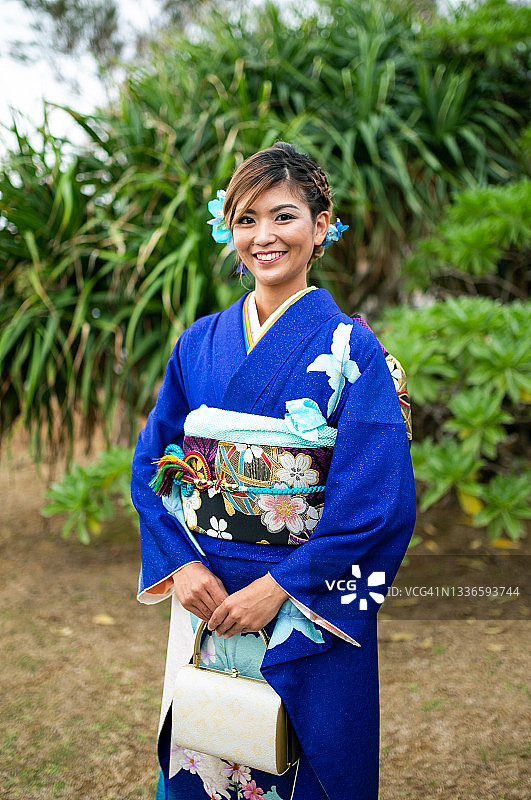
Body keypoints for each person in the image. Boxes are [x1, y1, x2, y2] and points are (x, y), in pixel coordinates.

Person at [131, 142, 416, 800]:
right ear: (228, 229)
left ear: (321, 226)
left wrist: (279, 589)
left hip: (301, 601)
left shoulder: (352, 349)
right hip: (207, 600)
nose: (264, 236)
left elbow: (378, 506)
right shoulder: (196, 341)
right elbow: (153, 467)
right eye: (245, 219)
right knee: (209, 756)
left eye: (283, 216)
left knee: (307, 768)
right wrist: (183, 564)